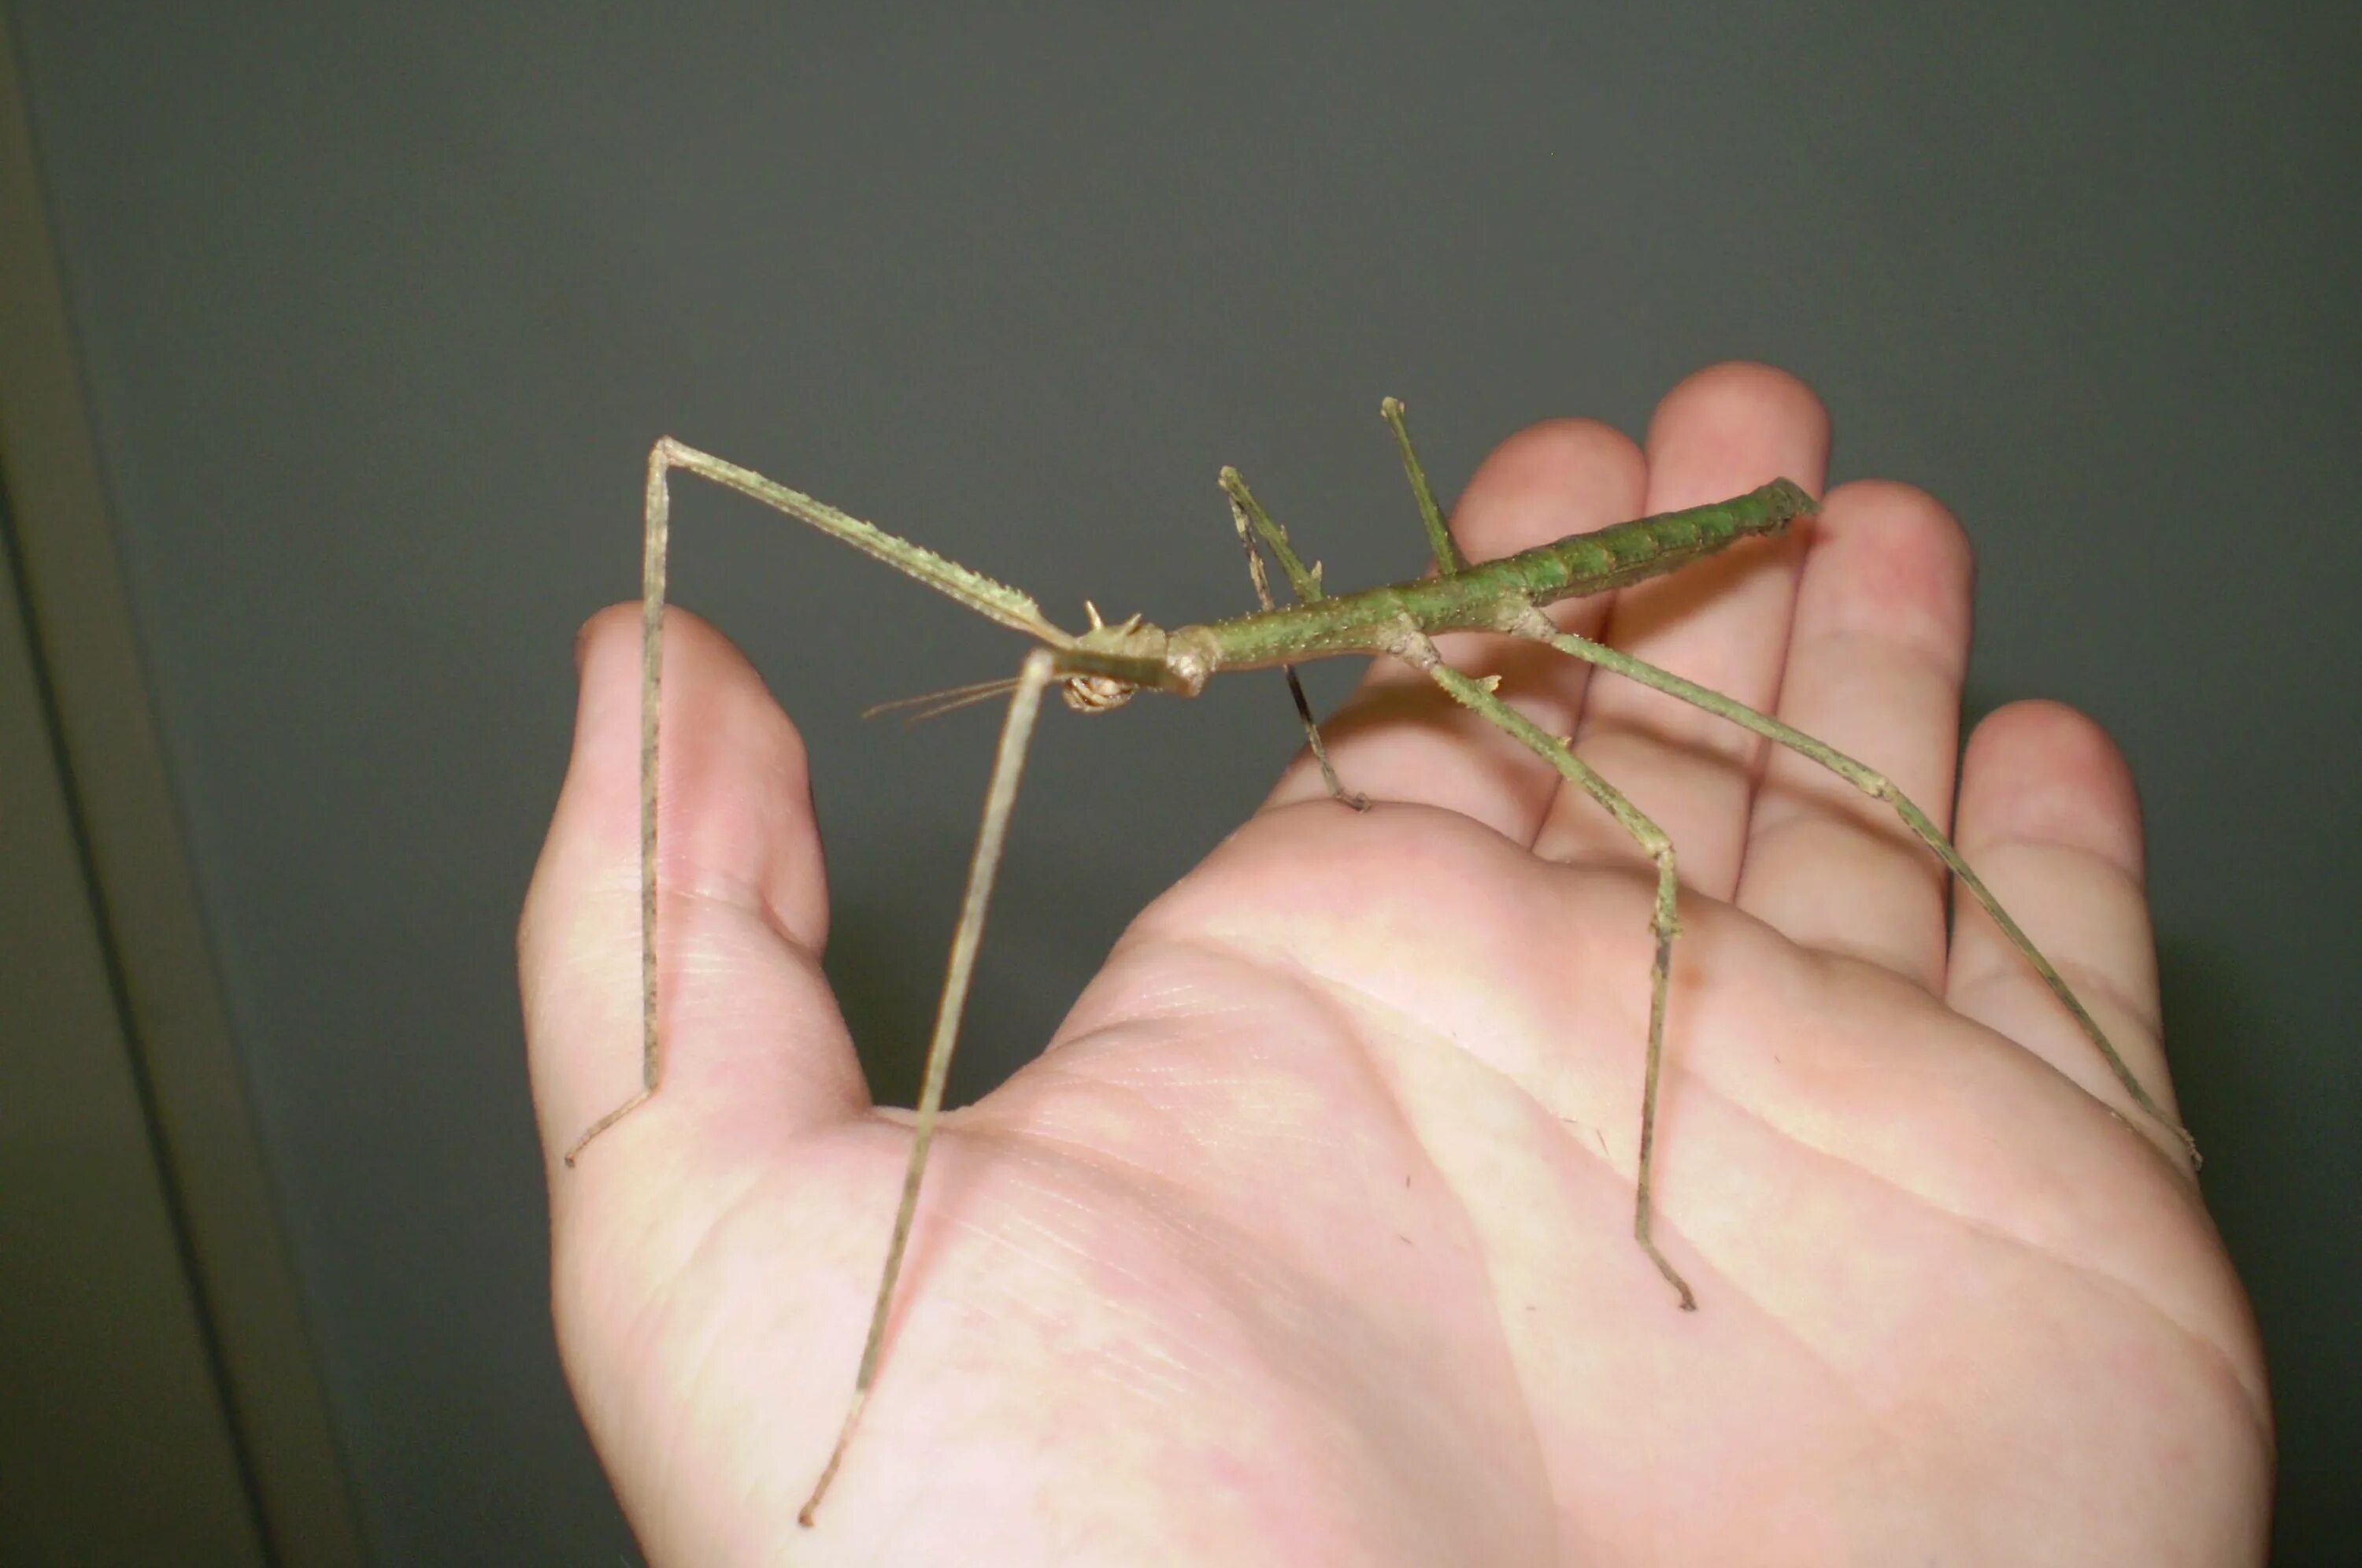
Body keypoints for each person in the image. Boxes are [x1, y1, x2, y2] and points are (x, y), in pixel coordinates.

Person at [519, 365, 2270, 1563]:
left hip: (1534, 592)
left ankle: (1884, 1158)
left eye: (1127, 671)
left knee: (1777, 821)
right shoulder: (1184, 652)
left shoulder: (1437, 631)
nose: (1104, 680)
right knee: (1676, 826)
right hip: (1437, 630)